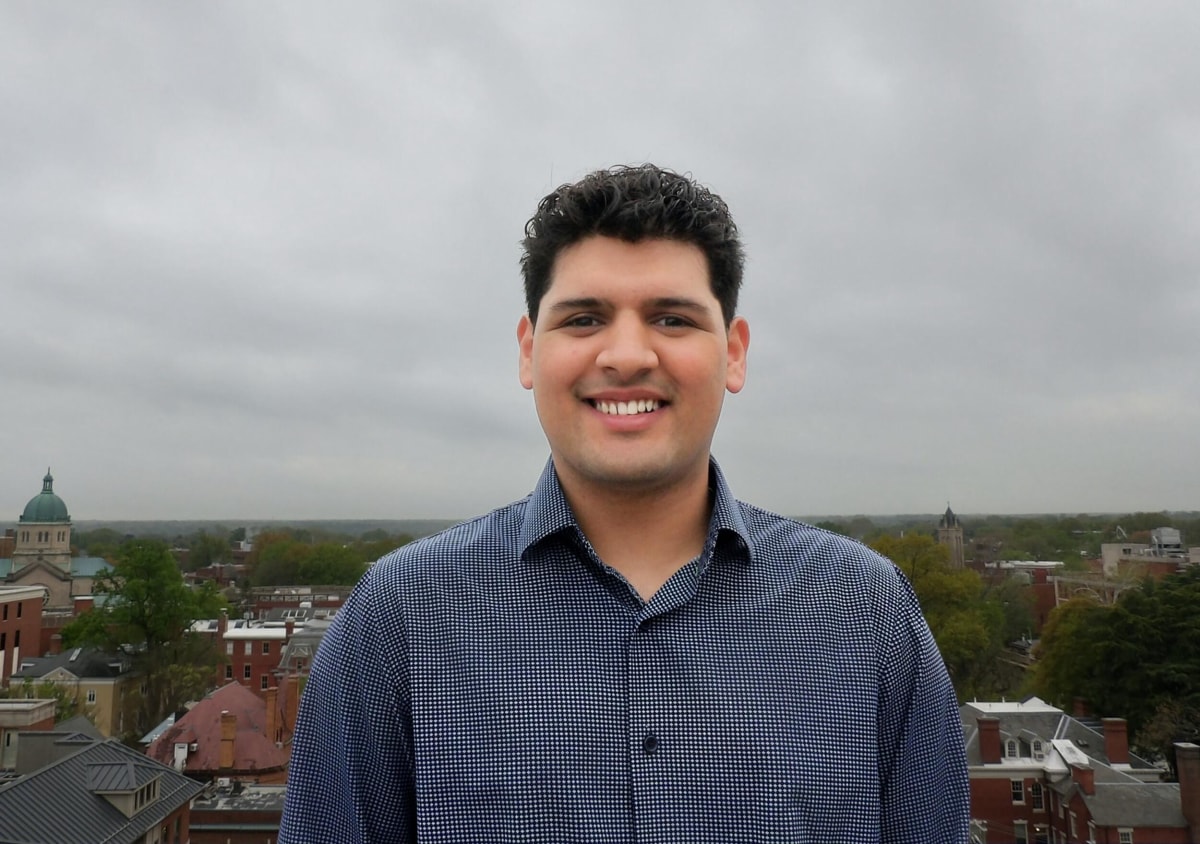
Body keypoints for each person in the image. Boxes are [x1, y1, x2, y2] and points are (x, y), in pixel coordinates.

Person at [279, 164, 970, 843]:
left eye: (672, 318)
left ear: (734, 353)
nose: (628, 355)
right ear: (528, 352)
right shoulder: (398, 618)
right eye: (584, 319)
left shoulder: (866, 612)